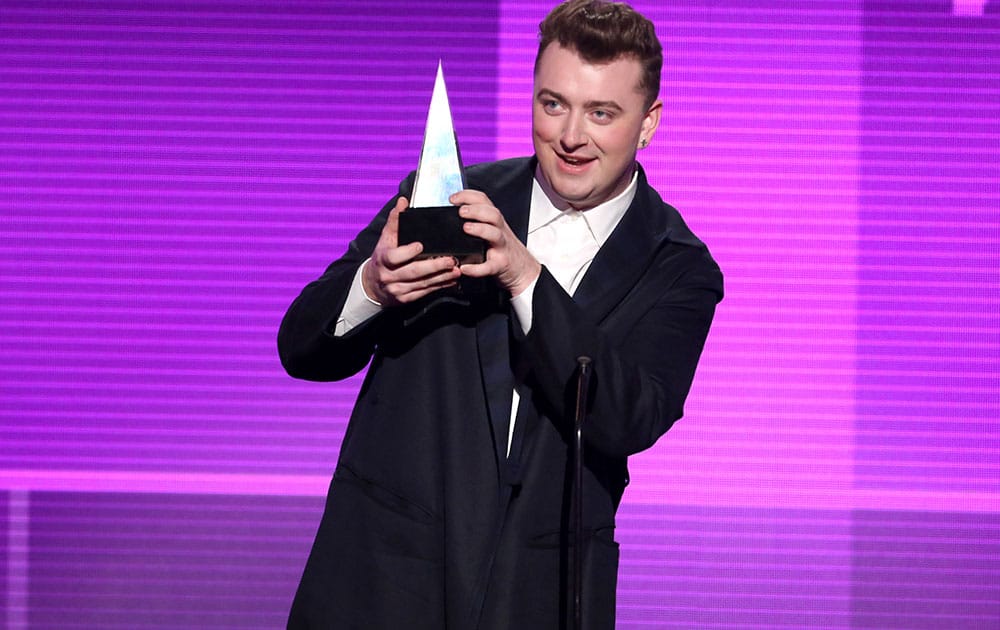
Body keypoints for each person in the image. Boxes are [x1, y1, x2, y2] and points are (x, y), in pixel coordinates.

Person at [278, 1, 723, 628]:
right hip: (386, 578)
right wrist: (373, 286)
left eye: (602, 113)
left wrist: (524, 276)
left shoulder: (677, 266)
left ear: (648, 123)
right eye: (553, 104)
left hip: (539, 590)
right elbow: (301, 348)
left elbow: (628, 418)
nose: (571, 136)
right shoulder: (447, 203)